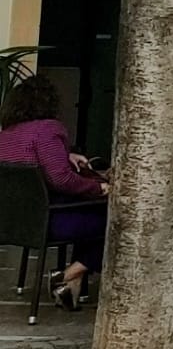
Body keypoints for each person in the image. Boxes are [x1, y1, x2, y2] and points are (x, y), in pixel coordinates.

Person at [0, 73, 109, 310]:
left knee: (92, 216)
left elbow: (31, 163)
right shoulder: (48, 129)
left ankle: (71, 287)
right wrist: (98, 187)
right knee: (115, 221)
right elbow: (61, 179)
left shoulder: (5, 136)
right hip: (49, 220)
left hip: (15, 224)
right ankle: (67, 275)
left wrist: (66, 155)